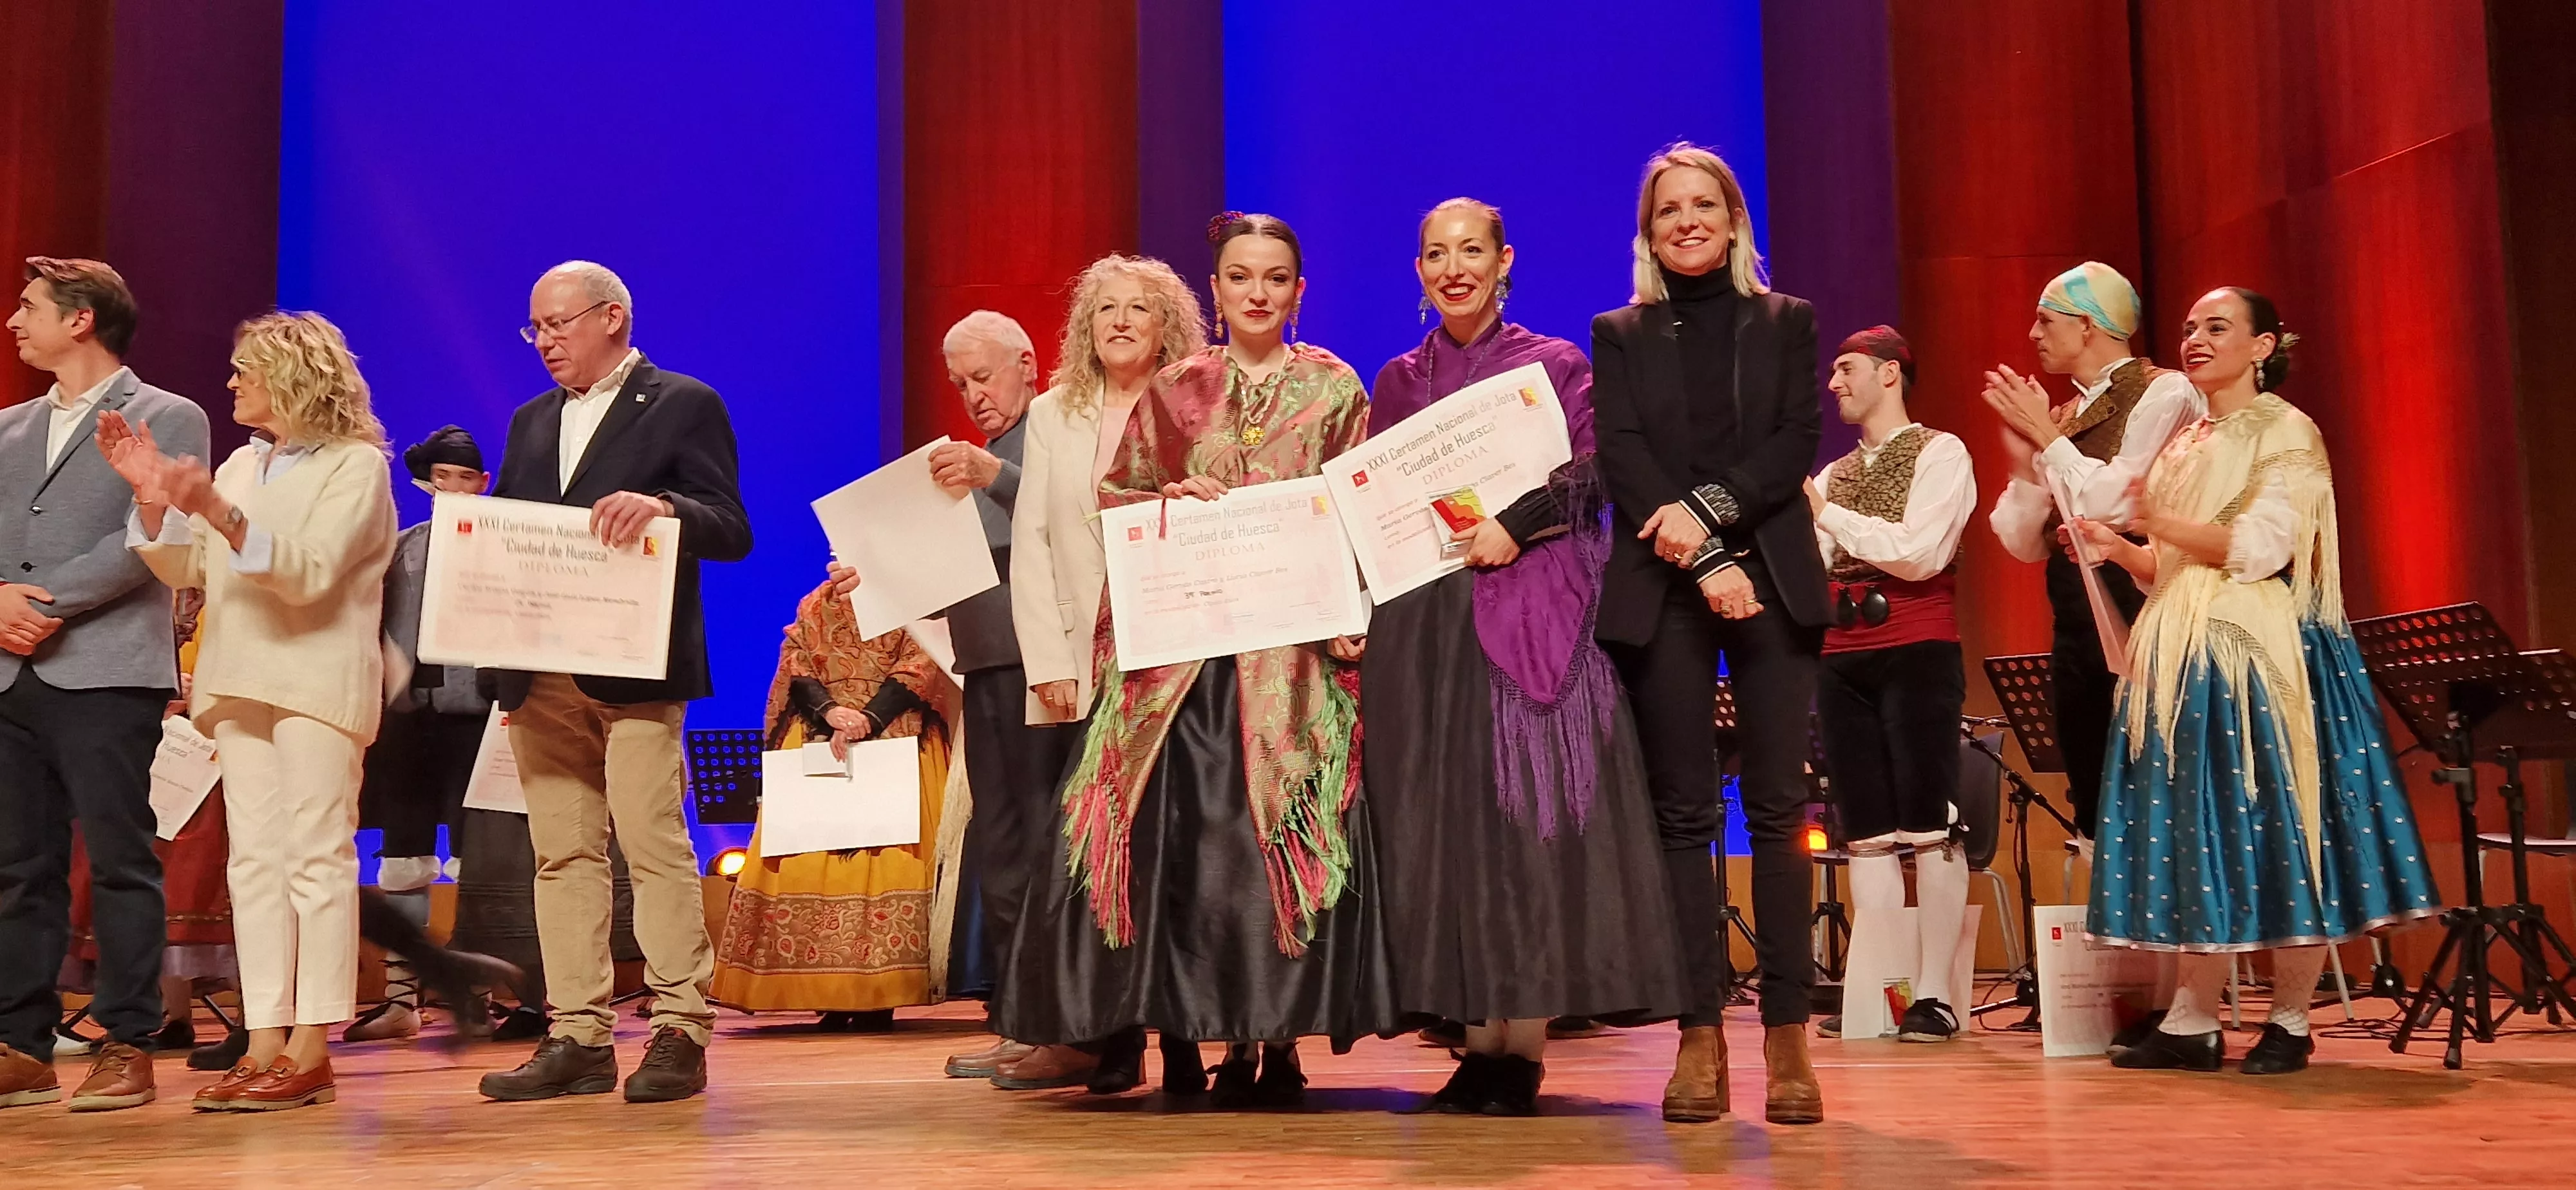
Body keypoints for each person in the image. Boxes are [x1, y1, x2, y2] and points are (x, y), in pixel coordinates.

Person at [991, 212, 1397, 1109]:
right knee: (1187, 857)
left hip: (1289, 663)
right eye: (1241, 277)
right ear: (1213, 292)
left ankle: (1276, 1041)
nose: (1258, 293)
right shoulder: (1177, 389)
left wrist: (1350, 611)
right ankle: (1183, 1031)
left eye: (1276, 278)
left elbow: (1361, 507)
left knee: (1271, 849)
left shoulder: (1335, 389)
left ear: (1299, 290)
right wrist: (1169, 493)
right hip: (1187, 667)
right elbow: (1119, 496)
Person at [1360, 198, 1687, 1117]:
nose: (1454, 267)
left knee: (1526, 823)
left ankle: (1524, 1044)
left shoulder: (1553, 365)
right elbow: (1376, 502)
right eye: (1436, 253)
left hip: (1532, 613)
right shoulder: (1397, 380)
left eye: (1472, 251)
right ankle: (1474, 1039)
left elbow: (1592, 476)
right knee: (1449, 827)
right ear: (1419, 271)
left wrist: (1517, 525)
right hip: (1427, 627)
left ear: (1506, 260)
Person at [2072, 288, 2441, 1075]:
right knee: (2201, 835)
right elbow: (2167, 570)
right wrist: (2121, 548)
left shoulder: (2286, 430)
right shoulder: (2184, 443)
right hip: (2178, 658)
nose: (2196, 339)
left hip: (2258, 656)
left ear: (2263, 345)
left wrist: (2158, 525)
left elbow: (2262, 546)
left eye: (2217, 328)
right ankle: (2193, 1019)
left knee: (2279, 825)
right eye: (2189, 329)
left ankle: (2291, 1017)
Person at [1589, 144, 1830, 1126]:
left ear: (1733, 220)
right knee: (1683, 817)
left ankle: (1787, 1044)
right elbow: (1623, 456)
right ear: (1649, 233)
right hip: (1669, 584)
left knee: (1778, 814)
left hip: (1772, 580)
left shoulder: (1788, 322)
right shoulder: (1621, 332)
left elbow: (1794, 441)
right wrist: (1703, 558)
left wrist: (1717, 518)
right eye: (1667, 210)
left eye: (1703, 204)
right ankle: (1698, 1038)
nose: (1686, 221)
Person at [475, 261, 753, 1105]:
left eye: (558, 325)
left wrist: (666, 509)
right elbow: (513, 533)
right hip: (542, 669)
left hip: (634, 665)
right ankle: (579, 1036)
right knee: (561, 853)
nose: (545, 343)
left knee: (653, 842)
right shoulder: (530, 421)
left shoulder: (683, 402)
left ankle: (678, 1027)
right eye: (535, 329)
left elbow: (732, 527)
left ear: (614, 319)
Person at [107, 310, 399, 1111]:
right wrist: (156, 503)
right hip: (238, 679)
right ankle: (263, 1038)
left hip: (314, 677)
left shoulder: (355, 468)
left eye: (245, 369)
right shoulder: (241, 464)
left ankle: (311, 1046)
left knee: (315, 857)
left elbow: (309, 574)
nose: (232, 382)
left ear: (292, 375)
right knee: (255, 864)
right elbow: (188, 571)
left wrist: (218, 510)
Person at [961, 254, 1207, 1091]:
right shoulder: (1058, 415)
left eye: (1140, 307)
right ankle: (1108, 1039)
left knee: (1169, 855)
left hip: (1181, 655)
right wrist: (1048, 665)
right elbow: (1031, 546)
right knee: (1092, 857)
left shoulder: (1198, 400)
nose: (1122, 321)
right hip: (1086, 662)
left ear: (1166, 320)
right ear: (1084, 326)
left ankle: (1177, 1036)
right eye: (1106, 308)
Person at [0, 257, 211, 1115]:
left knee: (123, 862)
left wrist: (42, 603)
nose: (15, 320)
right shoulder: (8, 426)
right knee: (19, 867)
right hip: (11, 671)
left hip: (107, 668)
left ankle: (127, 1040)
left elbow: (147, 539)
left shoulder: (169, 415)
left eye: (29, 306)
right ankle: (19, 1043)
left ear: (81, 320)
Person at [1983, 263, 2201, 847]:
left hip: (2143, 605)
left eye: (2045, 320)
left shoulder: (2165, 390)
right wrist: (2021, 456)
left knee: (2152, 784)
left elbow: (2112, 504)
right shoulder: (2066, 415)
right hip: (2078, 623)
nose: (2033, 334)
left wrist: (2049, 441)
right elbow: (2024, 542)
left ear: (2086, 327)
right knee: (2095, 794)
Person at [1801, 327, 1975, 1044]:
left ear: (1889, 374)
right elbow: (1816, 566)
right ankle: (1887, 994)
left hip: (1916, 647)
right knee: (1866, 831)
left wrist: (1828, 517)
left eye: (1846, 370)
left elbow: (1917, 553)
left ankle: (1934, 996)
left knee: (1927, 825)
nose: (1834, 383)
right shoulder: (1832, 473)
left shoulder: (1941, 451)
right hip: (1841, 653)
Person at [709, 586, 960, 1023]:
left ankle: (877, 993)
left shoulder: (907, 598)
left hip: (896, 734)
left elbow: (921, 665)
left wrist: (865, 718)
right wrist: (832, 713)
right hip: (826, 736)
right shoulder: (816, 603)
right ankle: (827, 993)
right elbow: (798, 663)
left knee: (892, 857)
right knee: (808, 857)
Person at [350, 424, 516, 1042]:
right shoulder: (404, 547)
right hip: (410, 718)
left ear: (483, 482)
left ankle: (477, 991)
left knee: (480, 859)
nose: (450, 488)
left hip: (482, 718)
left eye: (463, 478)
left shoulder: (504, 545)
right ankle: (400, 998)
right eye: (440, 479)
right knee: (401, 856)